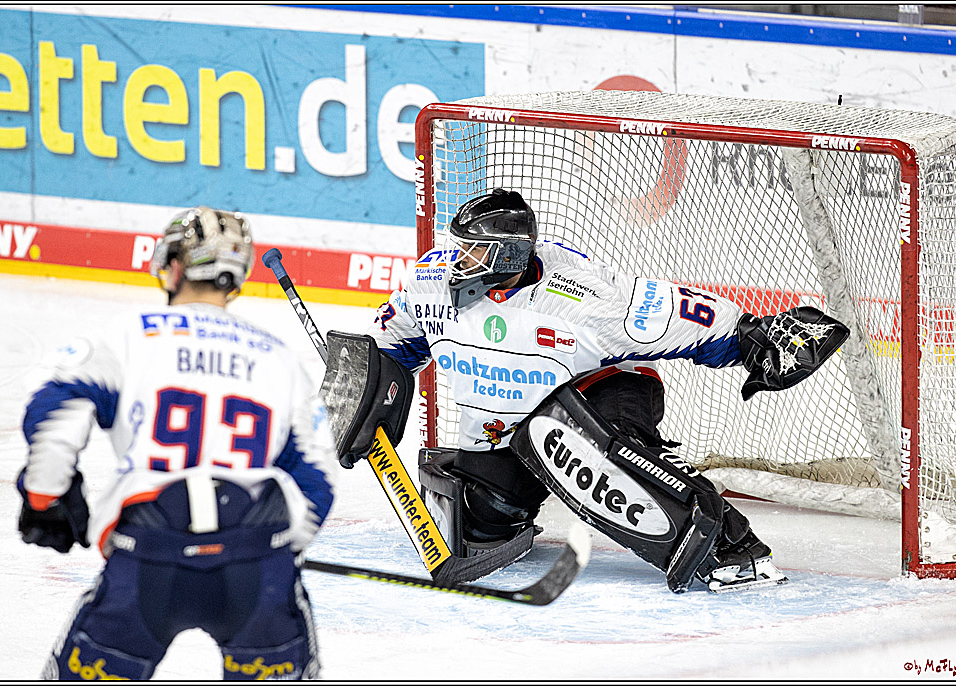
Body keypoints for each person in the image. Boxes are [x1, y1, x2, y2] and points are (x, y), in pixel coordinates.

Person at [349, 188, 848, 593]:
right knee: (480, 528)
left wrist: (752, 337)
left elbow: (679, 315)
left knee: (561, 439)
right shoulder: (432, 282)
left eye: (475, 251)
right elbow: (392, 344)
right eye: (460, 246)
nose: (460, 259)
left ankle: (729, 546)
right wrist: (366, 393)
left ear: (512, 255)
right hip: (506, 422)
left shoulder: (585, 299)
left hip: (603, 395)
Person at [16, 207, 337, 679]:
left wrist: (45, 497)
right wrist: (282, 549)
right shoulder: (277, 356)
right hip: (255, 558)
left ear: (174, 266)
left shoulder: (130, 334)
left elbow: (55, 408)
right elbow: (318, 477)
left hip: (148, 553)